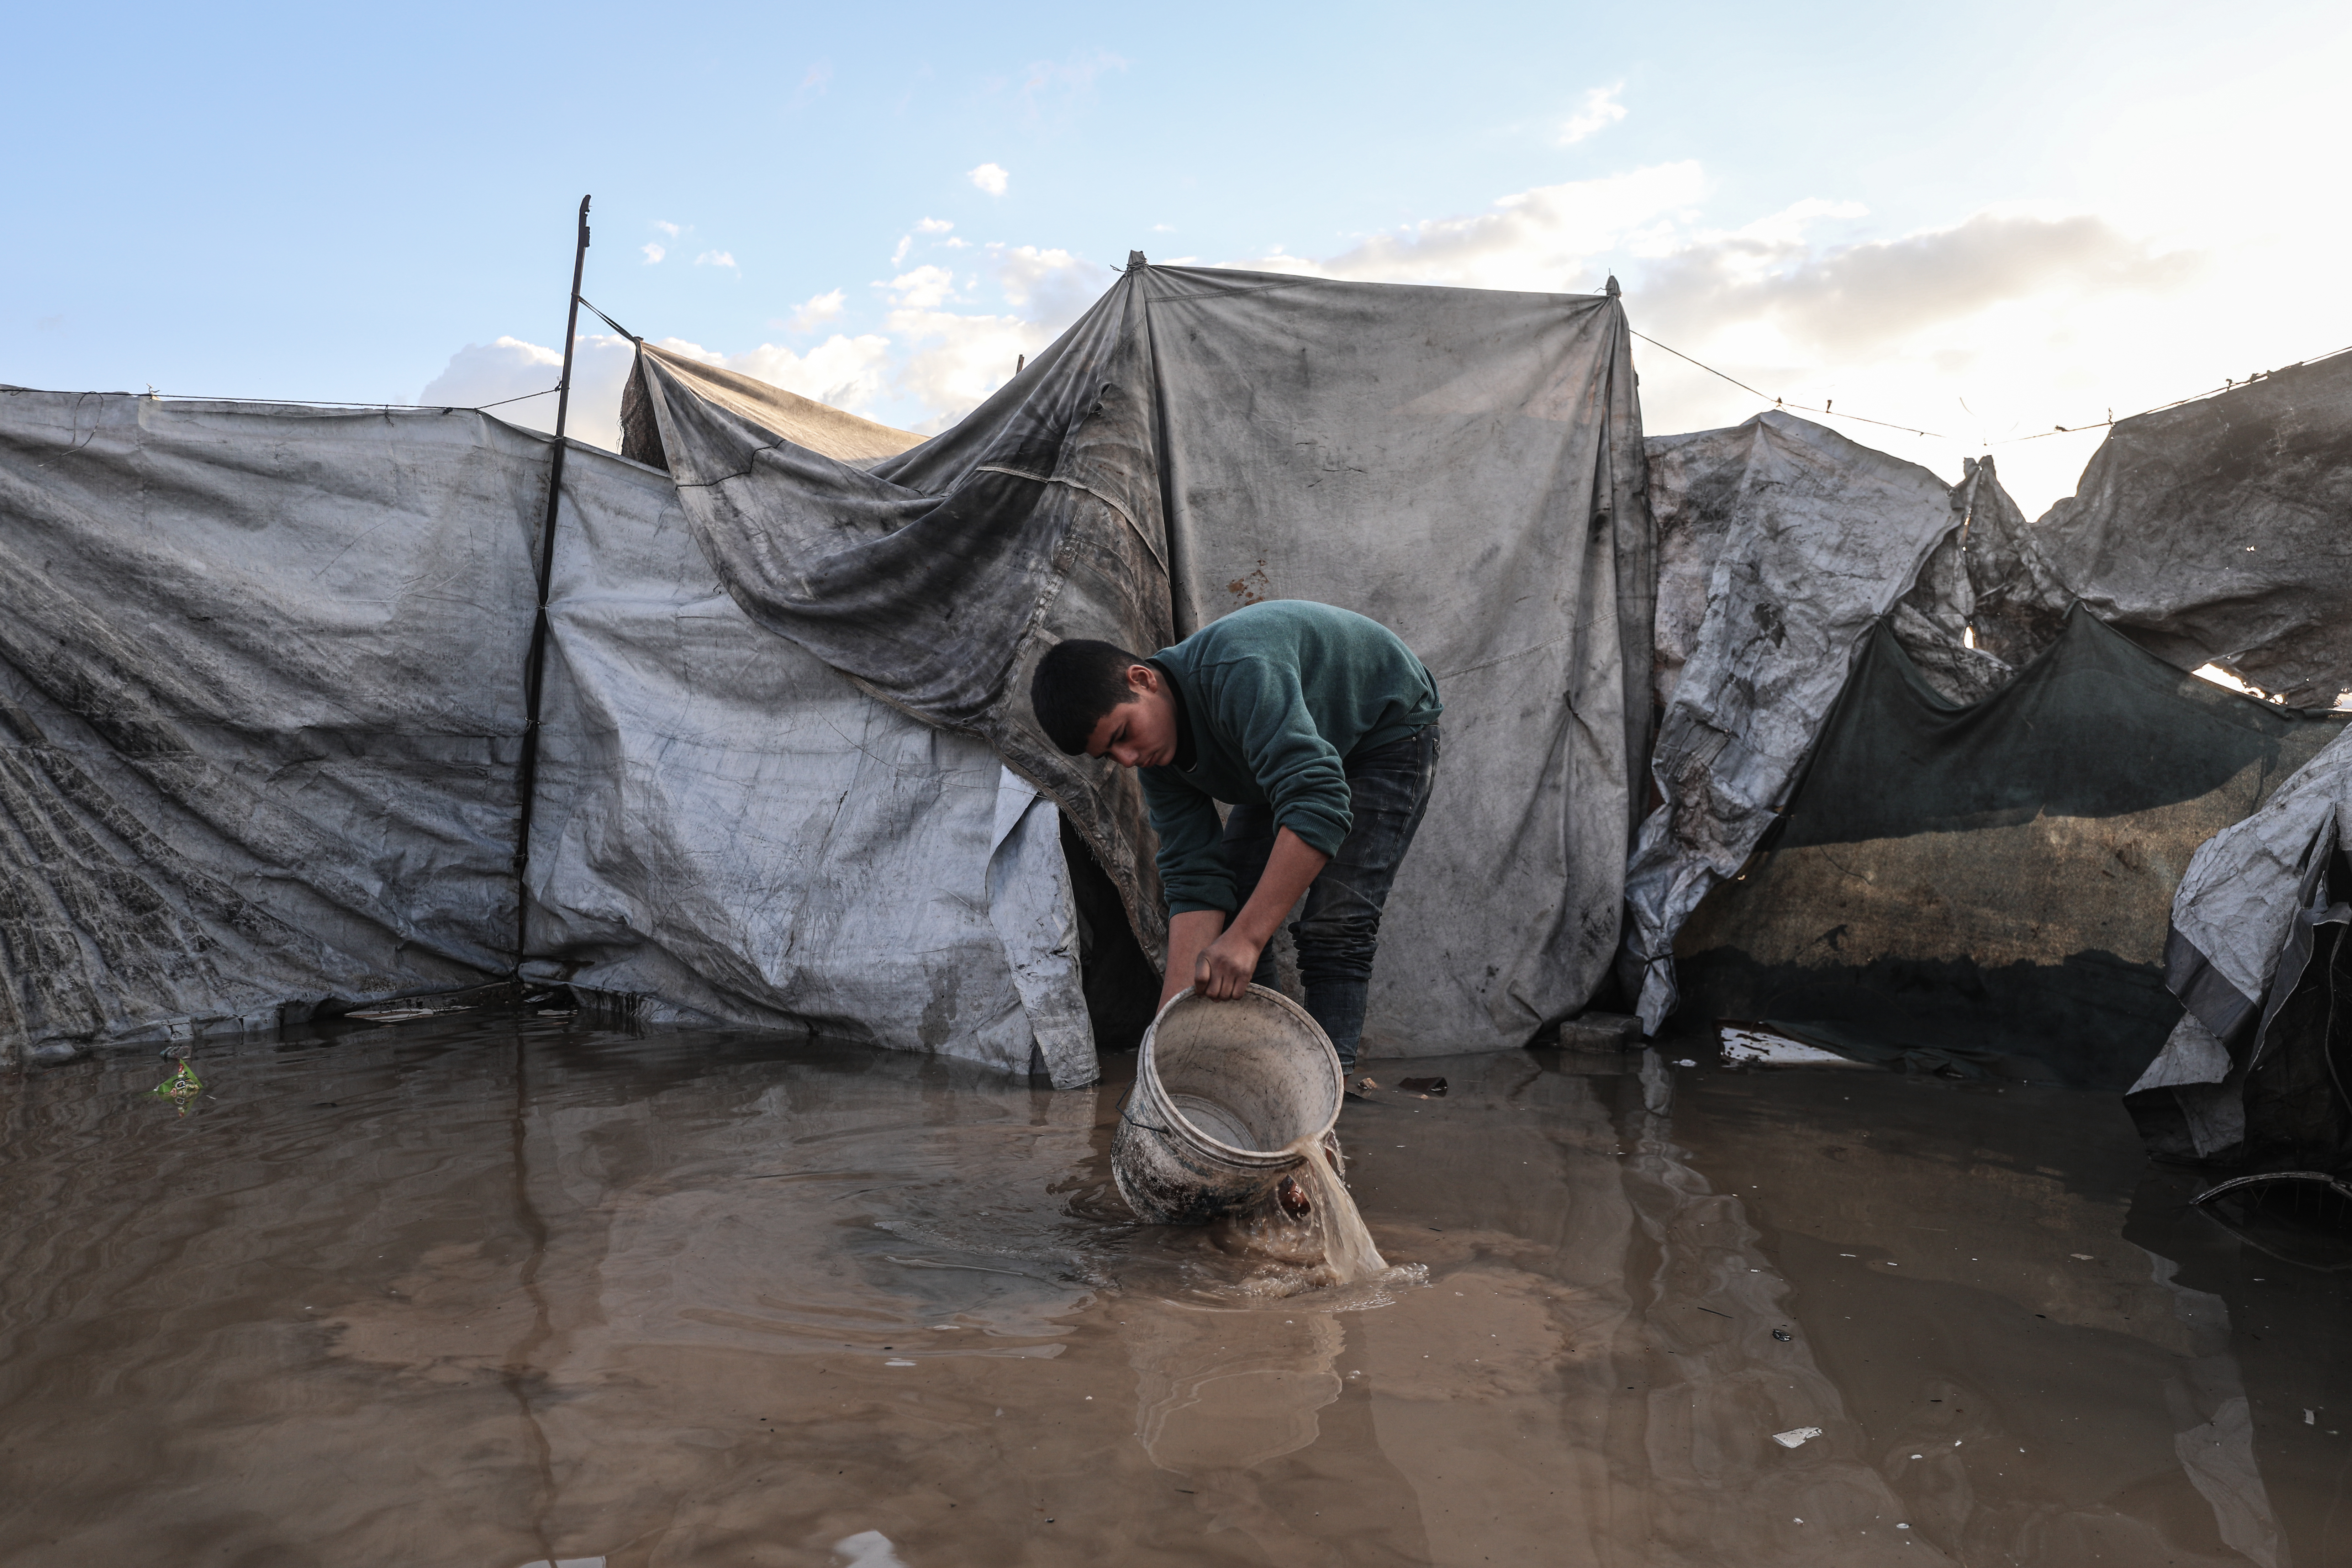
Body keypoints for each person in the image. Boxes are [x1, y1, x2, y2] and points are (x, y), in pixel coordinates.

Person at [1029, 599, 1441, 1068]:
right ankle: (1268, 1073)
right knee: (1237, 914)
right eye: (1109, 755)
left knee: (1334, 924)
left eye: (1123, 733)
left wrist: (1246, 940)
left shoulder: (1237, 669)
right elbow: (1194, 879)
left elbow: (1318, 802)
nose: (1126, 759)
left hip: (1382, 734)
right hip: (1296, 763)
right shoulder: (1159, 764)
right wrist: (1164, 1045)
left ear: (1142, 680)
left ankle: (1329, 1093)